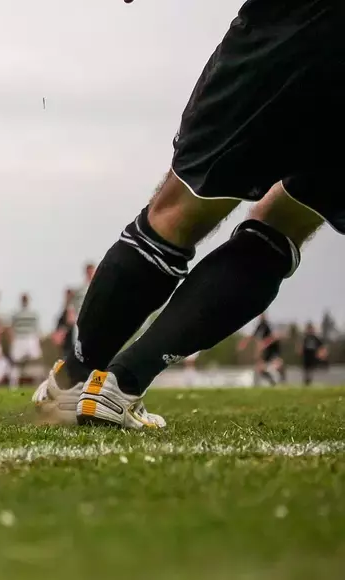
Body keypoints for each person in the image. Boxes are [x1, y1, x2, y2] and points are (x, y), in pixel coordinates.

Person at [34, 1, 344, 428]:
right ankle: (120, 386)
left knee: (177, 212)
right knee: (287, 221)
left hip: (296, 24)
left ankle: (75, 380)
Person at [238, 313, 285, 386]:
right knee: (259, 369)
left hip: (273, 349)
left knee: (278, 365)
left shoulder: (269, 325)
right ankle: (272, 383)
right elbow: (253, 336)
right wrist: (244, 342)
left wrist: (265, 343)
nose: (261, 317)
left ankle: (282, 381)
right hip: (266, 351)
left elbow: (275, 336)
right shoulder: (260, 326)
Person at [9, 293, 42, 387]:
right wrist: (13, 340)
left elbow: (37, 329)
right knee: (16, 363)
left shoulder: (33, 314)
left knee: (35, 361)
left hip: (31, 338)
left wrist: (37, 340)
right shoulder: (16, 314)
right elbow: (12, 328)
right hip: (19, 338)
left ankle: (37, 383)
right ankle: (13, 384)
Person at [299, 322, 327, 386]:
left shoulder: (315, 338)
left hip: (312, 355)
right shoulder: (305, 338)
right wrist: (300, 351)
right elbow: (301, 346)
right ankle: (306, 381)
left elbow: (321, 346)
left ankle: (309, 380)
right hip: (306, 355)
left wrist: (322, 354)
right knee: (306, 369)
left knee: (311, 369)